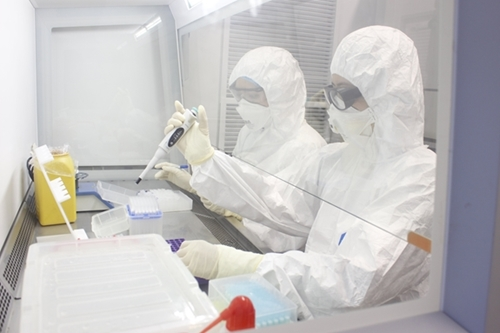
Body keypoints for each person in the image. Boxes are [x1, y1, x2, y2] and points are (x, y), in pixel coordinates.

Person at [171, 26, 436, 319]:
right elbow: (279, 201)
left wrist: (241, 265)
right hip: (313, 314)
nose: (335, 105)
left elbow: (354, 283)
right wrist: (206, 160)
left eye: (345, 94)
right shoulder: (338, 159)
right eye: (332, 92)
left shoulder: (421, 179)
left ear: (389, 96)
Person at [156, 46, 326, 252]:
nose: (243, 104)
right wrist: (197, 185)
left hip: (269, 257)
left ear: (281, 95)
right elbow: (239, 183)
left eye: (252, 95)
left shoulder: (308, 147)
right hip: (241, 237)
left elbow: (290, 229)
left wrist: (234, 211)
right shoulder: (250, 133)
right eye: (239, 95)